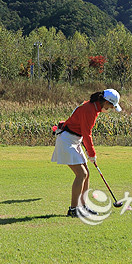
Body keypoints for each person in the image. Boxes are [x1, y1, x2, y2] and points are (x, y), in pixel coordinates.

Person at [52, 89, 122, 217]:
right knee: (81, 174)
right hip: (67, 141)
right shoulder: (89, 110)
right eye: (111, 106)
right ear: (105, 102)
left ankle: (83, 206)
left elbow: (83, 132)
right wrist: (92, 153)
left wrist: (90, 152)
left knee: (86, 174)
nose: (111, 108)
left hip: (74, 140)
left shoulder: (93, 108)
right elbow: (86, 134)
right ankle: (73, 209)